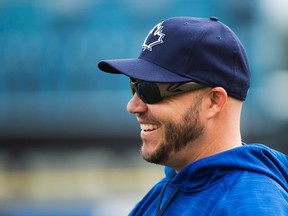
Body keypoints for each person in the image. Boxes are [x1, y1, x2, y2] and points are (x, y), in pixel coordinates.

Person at [98, 16, 287, 215]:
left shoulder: (250, 204)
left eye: (149, 90)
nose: (133, 106)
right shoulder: (167, 190)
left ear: (214, 101)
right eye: (134, 87)